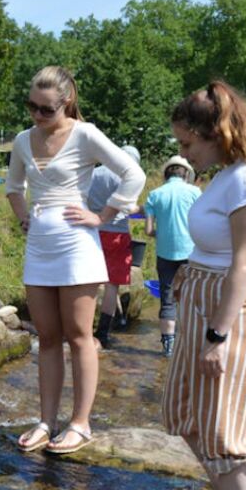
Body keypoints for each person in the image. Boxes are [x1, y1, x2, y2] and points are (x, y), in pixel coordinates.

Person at [162, 80, 246, 490]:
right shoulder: (228, 174)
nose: (184, 153)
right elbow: (216, 247)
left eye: (188, 143)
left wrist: (218, 335)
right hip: (201, 297)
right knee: (185, 408)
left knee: (224, 425)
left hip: (229, 310)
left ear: (218, 133)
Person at [6, 66, 145, 455]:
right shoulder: (21, 140)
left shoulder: (85, 134)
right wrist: (22, 218)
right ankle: (46, 421)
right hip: (39, 247)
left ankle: (80, 424)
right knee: (47, 337)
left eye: (45, 109)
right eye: (30, 106)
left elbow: (133, 174)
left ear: (65, 102)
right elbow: (14, 187)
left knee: (80, 336)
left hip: (77, 246)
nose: (36, 115)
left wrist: (102, 217)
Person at [144, 155, 200, 357]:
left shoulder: (154, 194)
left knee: (167, 298)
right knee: (191, 297)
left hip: (165, 253)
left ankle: (168, 347)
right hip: (191, 252)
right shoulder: (195, 192)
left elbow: (149, 230)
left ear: (166, 173)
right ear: (185, 174)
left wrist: (164, 233)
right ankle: (190, 342)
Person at [86, 144, 141, 349]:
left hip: (91, 230)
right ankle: (102, 334)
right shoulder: (129, 178)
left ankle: (82, 331)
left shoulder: (95, 173)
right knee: (111, 286)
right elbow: (129, 207)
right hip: (117, 234)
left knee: (89, 283)